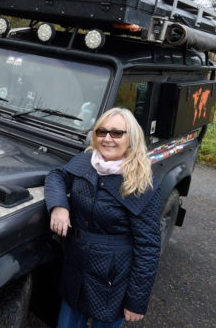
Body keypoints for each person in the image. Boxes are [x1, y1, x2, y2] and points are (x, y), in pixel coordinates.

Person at [44, 107, 161, 328]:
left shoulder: (141, 184)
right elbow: (57, 175)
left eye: (117, 133)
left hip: (113, 282)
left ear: (132, 138)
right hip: (76, 270)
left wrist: (136, 301)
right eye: (101, 132)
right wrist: (59, 206)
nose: (107, 138)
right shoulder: (86, 161)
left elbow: (148, 247)